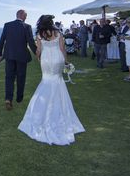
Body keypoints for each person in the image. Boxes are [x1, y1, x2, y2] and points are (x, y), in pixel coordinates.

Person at [18, 15, 85, 145]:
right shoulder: (57, 32)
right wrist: (66, 61)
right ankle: (59, 109)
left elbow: (38, 50)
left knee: (46, 81)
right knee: (57, 81)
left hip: (46, 60)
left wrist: (38, 58)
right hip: (58, 58)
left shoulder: (40, 34)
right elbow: (62, 49)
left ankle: (42, 108)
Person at [0, 10, 37, 110]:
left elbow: (2, 40)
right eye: (26, 16)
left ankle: (8, 99)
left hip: (9, 56)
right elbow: (31, 42)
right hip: (22, 56)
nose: (26, 18)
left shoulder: (7, 25)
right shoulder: (27, 27)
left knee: (9, 78)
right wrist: (37, 53)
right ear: (22, 15)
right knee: (21, 77)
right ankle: (19, 98)